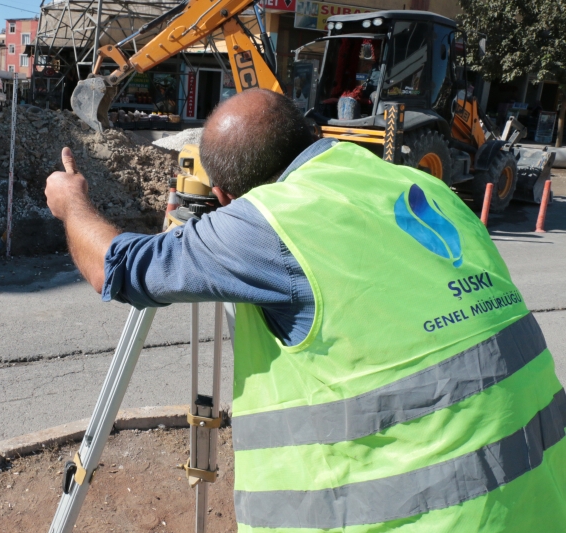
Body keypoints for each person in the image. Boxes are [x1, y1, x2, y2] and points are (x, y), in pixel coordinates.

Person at [45, 89, 566, 531]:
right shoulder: (427, 188)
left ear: (226, 197)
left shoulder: (268, 222)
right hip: (539, 499)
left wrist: (71, 203)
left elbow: (116, 267)